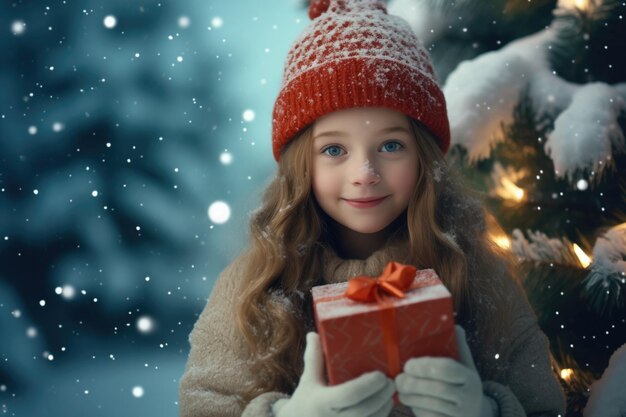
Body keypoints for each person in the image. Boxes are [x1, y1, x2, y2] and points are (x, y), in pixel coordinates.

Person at [179, 1, 566, 416]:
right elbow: (203, 405)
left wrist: (487, 411)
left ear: (424, 156)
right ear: (299, 164)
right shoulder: (252, 286)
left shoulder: (477, 273)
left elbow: (544, 404)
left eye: (391, 145)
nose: (364, 172)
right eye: (333, 149)